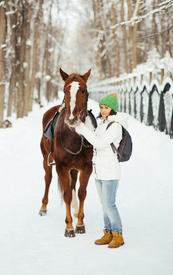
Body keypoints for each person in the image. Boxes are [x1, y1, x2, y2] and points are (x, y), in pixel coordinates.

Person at [75, 94, 129, 248]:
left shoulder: (116, 126)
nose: (103, 110)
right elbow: (93, 138)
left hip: (110, 170)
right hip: (99, 169)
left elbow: (98, 143)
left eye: (107, 107)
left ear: (113, 109)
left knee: (109, 204)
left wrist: (82, 129)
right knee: (103, 204)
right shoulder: (103, 124)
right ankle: (108, 232)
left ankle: (118, 234)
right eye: (102, 107)